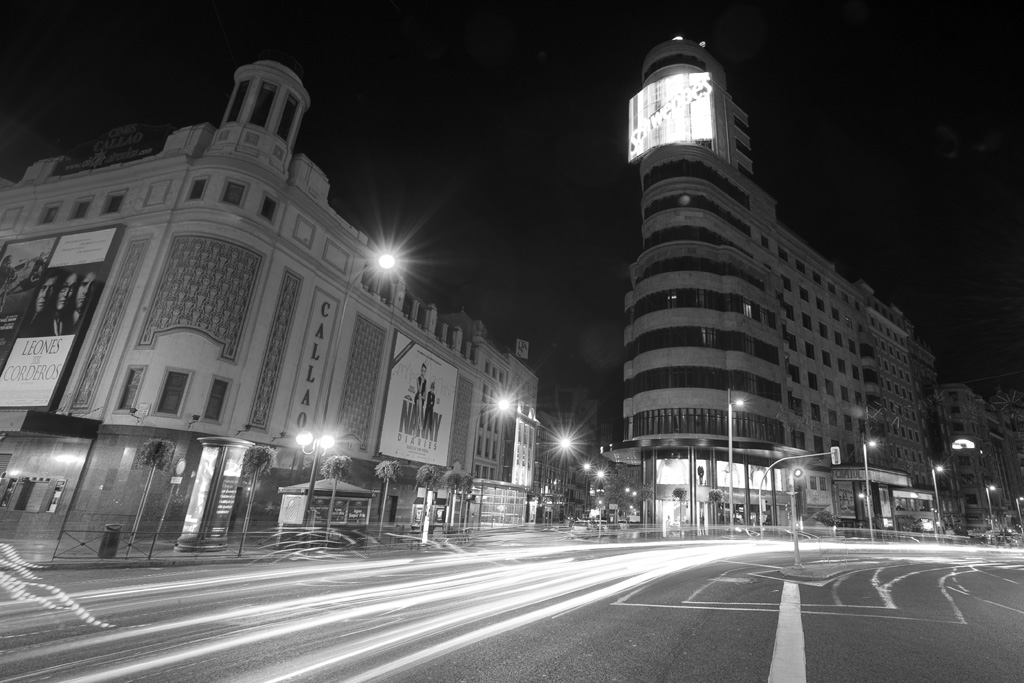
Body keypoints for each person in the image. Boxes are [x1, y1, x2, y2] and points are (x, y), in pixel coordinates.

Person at [20, 271, 61, 337]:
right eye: (43, 287)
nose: (44, 295)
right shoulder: (23, 316)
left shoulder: (53, 325)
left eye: (52, 289)